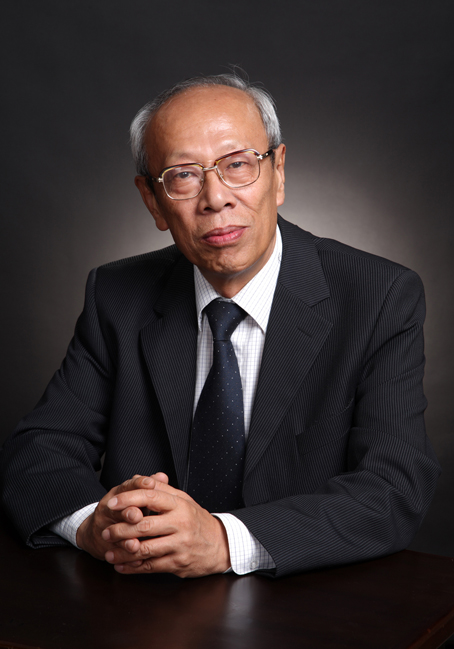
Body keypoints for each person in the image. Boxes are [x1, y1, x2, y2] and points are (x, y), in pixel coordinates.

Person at [0, 74, 441, 578]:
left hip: (305, 597)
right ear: (152, 200)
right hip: (140, 593)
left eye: (237, 165)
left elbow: (392, 490)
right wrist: (92, 527)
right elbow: (37, 451)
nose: (215, 198)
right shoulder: (117, 295)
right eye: (183, 175)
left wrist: (224, 541)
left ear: (278, 172)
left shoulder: (379, 296)